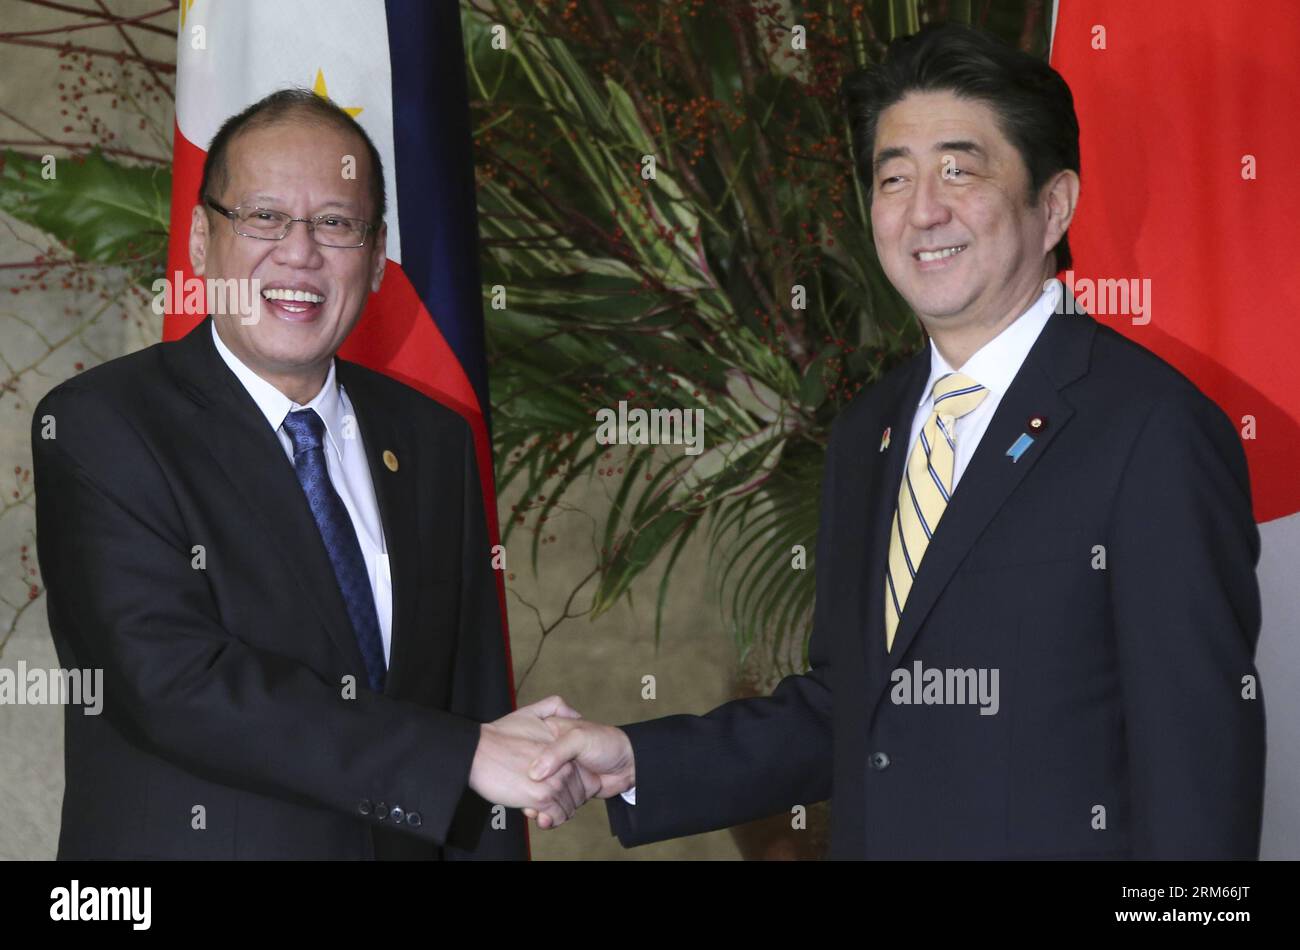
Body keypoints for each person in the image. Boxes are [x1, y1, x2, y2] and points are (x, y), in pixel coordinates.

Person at [527, 23, 1266, 859]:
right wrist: (632, 760)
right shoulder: (868, 431)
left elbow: (1199, 767)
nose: (923, 209)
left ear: (1054, 204)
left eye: (960, 168)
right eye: (893, 177)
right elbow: (850, 708)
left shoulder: (1153, 430)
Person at [31, 89, 594, 860]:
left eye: (335, 222)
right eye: (263, 217)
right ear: (201, 240)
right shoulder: (103, 425)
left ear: (376, 252)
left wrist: (485, 760)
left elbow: (473, 702)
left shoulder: (432, 440)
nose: (300, 253)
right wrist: (454, 755)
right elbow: (172, 683)